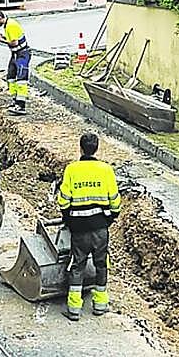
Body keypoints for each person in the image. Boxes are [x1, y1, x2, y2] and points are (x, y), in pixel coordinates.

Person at [56, 133, 121, 321]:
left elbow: (63, 200)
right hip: (100, 228)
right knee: (101, 264)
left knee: (77, 265)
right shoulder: (106, 170)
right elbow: (115, 200)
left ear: (81, 148)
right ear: (96, 148)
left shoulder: (72, 170)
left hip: (79, 228)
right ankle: (100, 304)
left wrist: (68, 218)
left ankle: (74, 309)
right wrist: (110, 218)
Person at [0, 9, 30, 114]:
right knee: (11, 78)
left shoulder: (11, 25)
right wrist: (3, 37)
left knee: (21, 80)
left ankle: (21, 105)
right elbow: (12, 39)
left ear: (0, 18)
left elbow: (14, 43)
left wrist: (1, 40)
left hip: (22, 54)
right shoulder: (7, 25)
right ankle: (16, 101)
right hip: (16, 54)